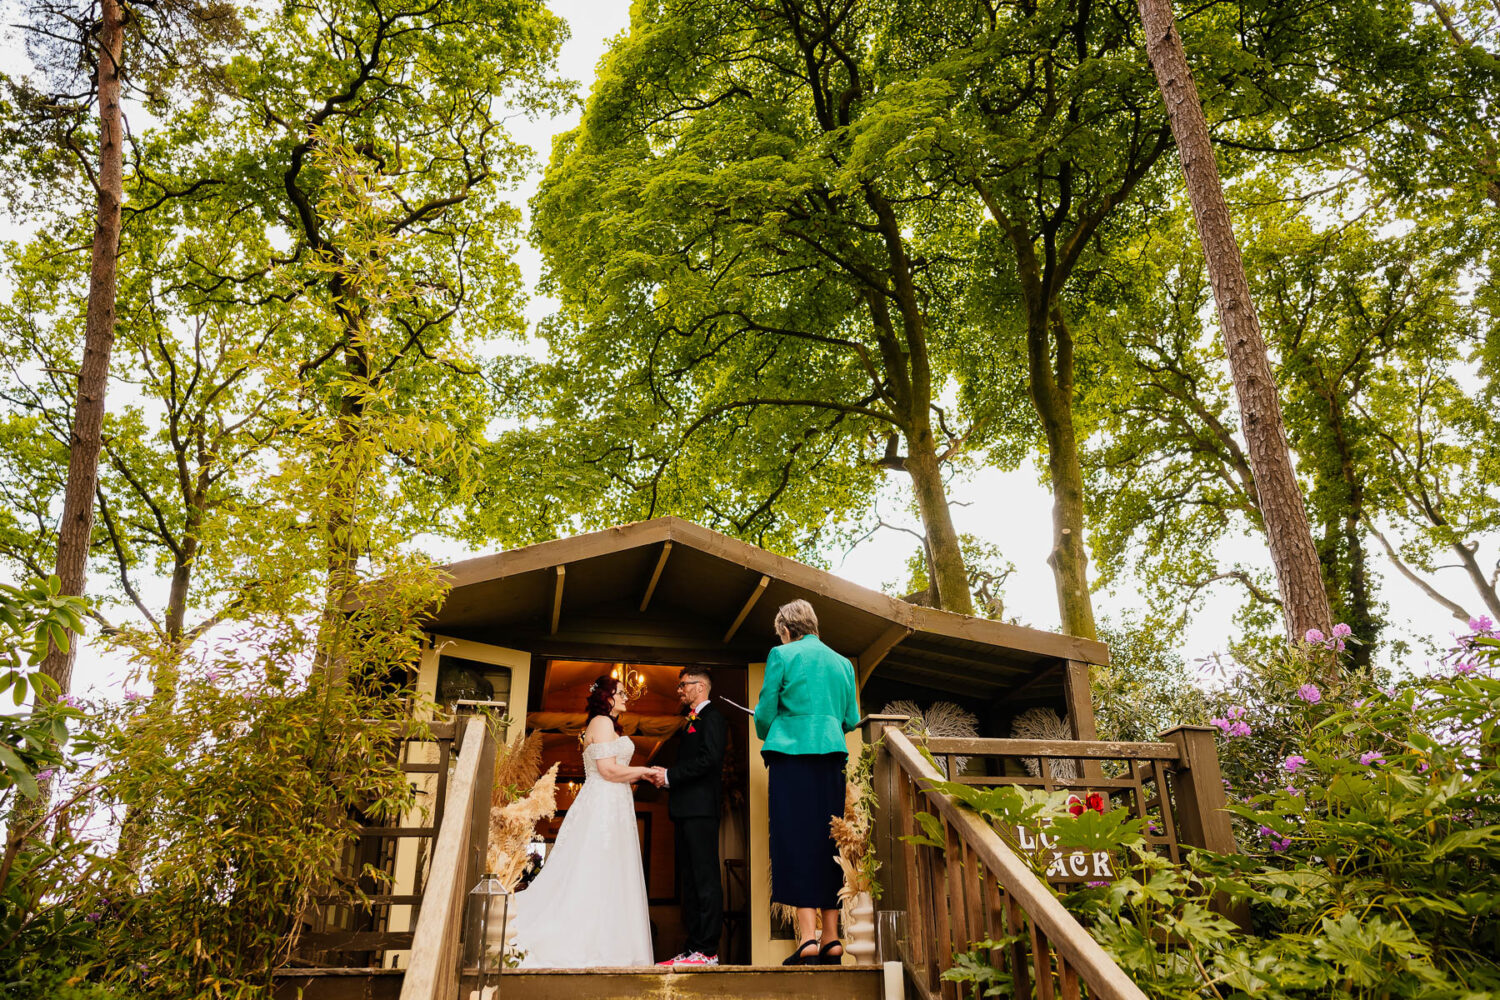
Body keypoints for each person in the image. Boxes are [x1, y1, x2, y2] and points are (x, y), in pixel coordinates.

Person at [510, 675, 655, 967]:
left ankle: (611, 944)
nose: (627, 697)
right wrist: (644, 771)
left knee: (613, 870)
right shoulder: (601, 722)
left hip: (615, 803)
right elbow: (608, 770)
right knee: (596, 867)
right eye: (621, 693)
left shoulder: (609, 725)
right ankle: (592, 947)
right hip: (603, 803)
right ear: (607, 697)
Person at [753, 599, 861, 966]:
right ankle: (833, 939)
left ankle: (808, 939)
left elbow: (765, 713)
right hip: (831, 757)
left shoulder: (782, 655)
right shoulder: (843, 663)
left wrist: (772, 727)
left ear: (786, 628)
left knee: (794, 841)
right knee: (829, 841)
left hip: (791, 760)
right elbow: (851, 718)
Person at [647, 667, 728, 967]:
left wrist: (670, 775)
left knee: (705, 879)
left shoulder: (713, 718)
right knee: (691, 881)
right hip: (685, 810)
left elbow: (709, 761)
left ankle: (708, 950)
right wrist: (666, 778)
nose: (679, 690)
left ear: (700, 687)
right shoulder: (691, 721)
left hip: (701, 810)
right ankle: (694, 947)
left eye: (683, 685)